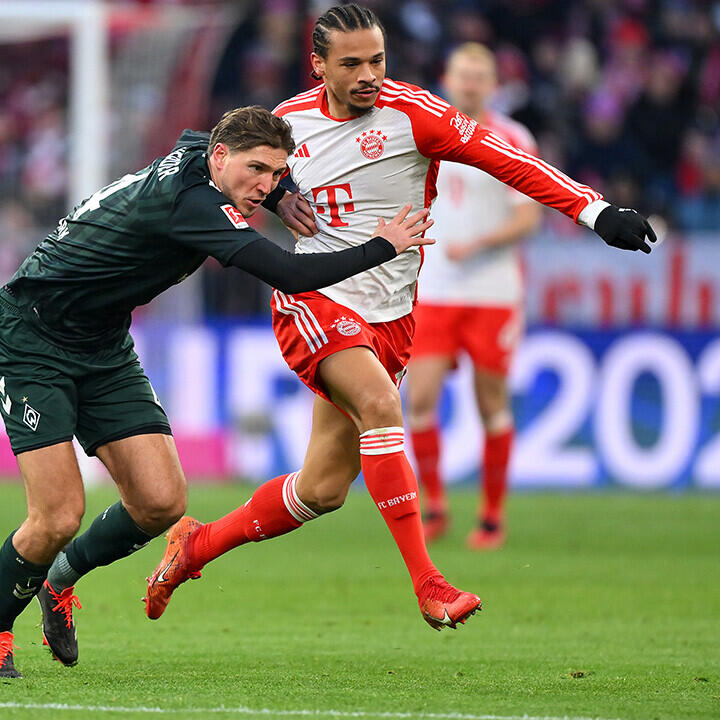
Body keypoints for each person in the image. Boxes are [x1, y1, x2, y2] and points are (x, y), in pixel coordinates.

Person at [145, 4, 655, 632]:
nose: (368, 74)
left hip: (392, 313)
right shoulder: (288, 122)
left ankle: (196, 546)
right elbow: (226, 166)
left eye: (377, 60)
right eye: (352, 62)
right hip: (316, 300)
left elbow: (509, 161)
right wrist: (279, 195)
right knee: (384, 409)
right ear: (319, 65)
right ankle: (430, 585)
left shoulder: (416, 114)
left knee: (322, 489)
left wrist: (595, 213)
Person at [0, 105, 434, 679]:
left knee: (161, 504)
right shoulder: (192, 204)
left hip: (102, 344)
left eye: (276, 173)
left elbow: (208, 136)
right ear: (222, 159)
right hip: (33, 335)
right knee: (57, 516)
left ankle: (59, 581)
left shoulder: (203, 151)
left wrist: (281, 193)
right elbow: (291, 275)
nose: (266, 184)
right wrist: (385, 244)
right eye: (258, 171)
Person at [407, 43, 541, 550]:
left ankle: (491, 516)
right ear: (447, 77)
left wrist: (480, 244)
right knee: (420, 399)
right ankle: (435, 505)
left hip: (492, 291)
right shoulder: (423, 131)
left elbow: (528, 214)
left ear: (492, 84)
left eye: (480, 76)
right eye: (462, 74)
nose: (470, 83)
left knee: (491, 403)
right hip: (433, 290)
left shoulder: (512, 138)